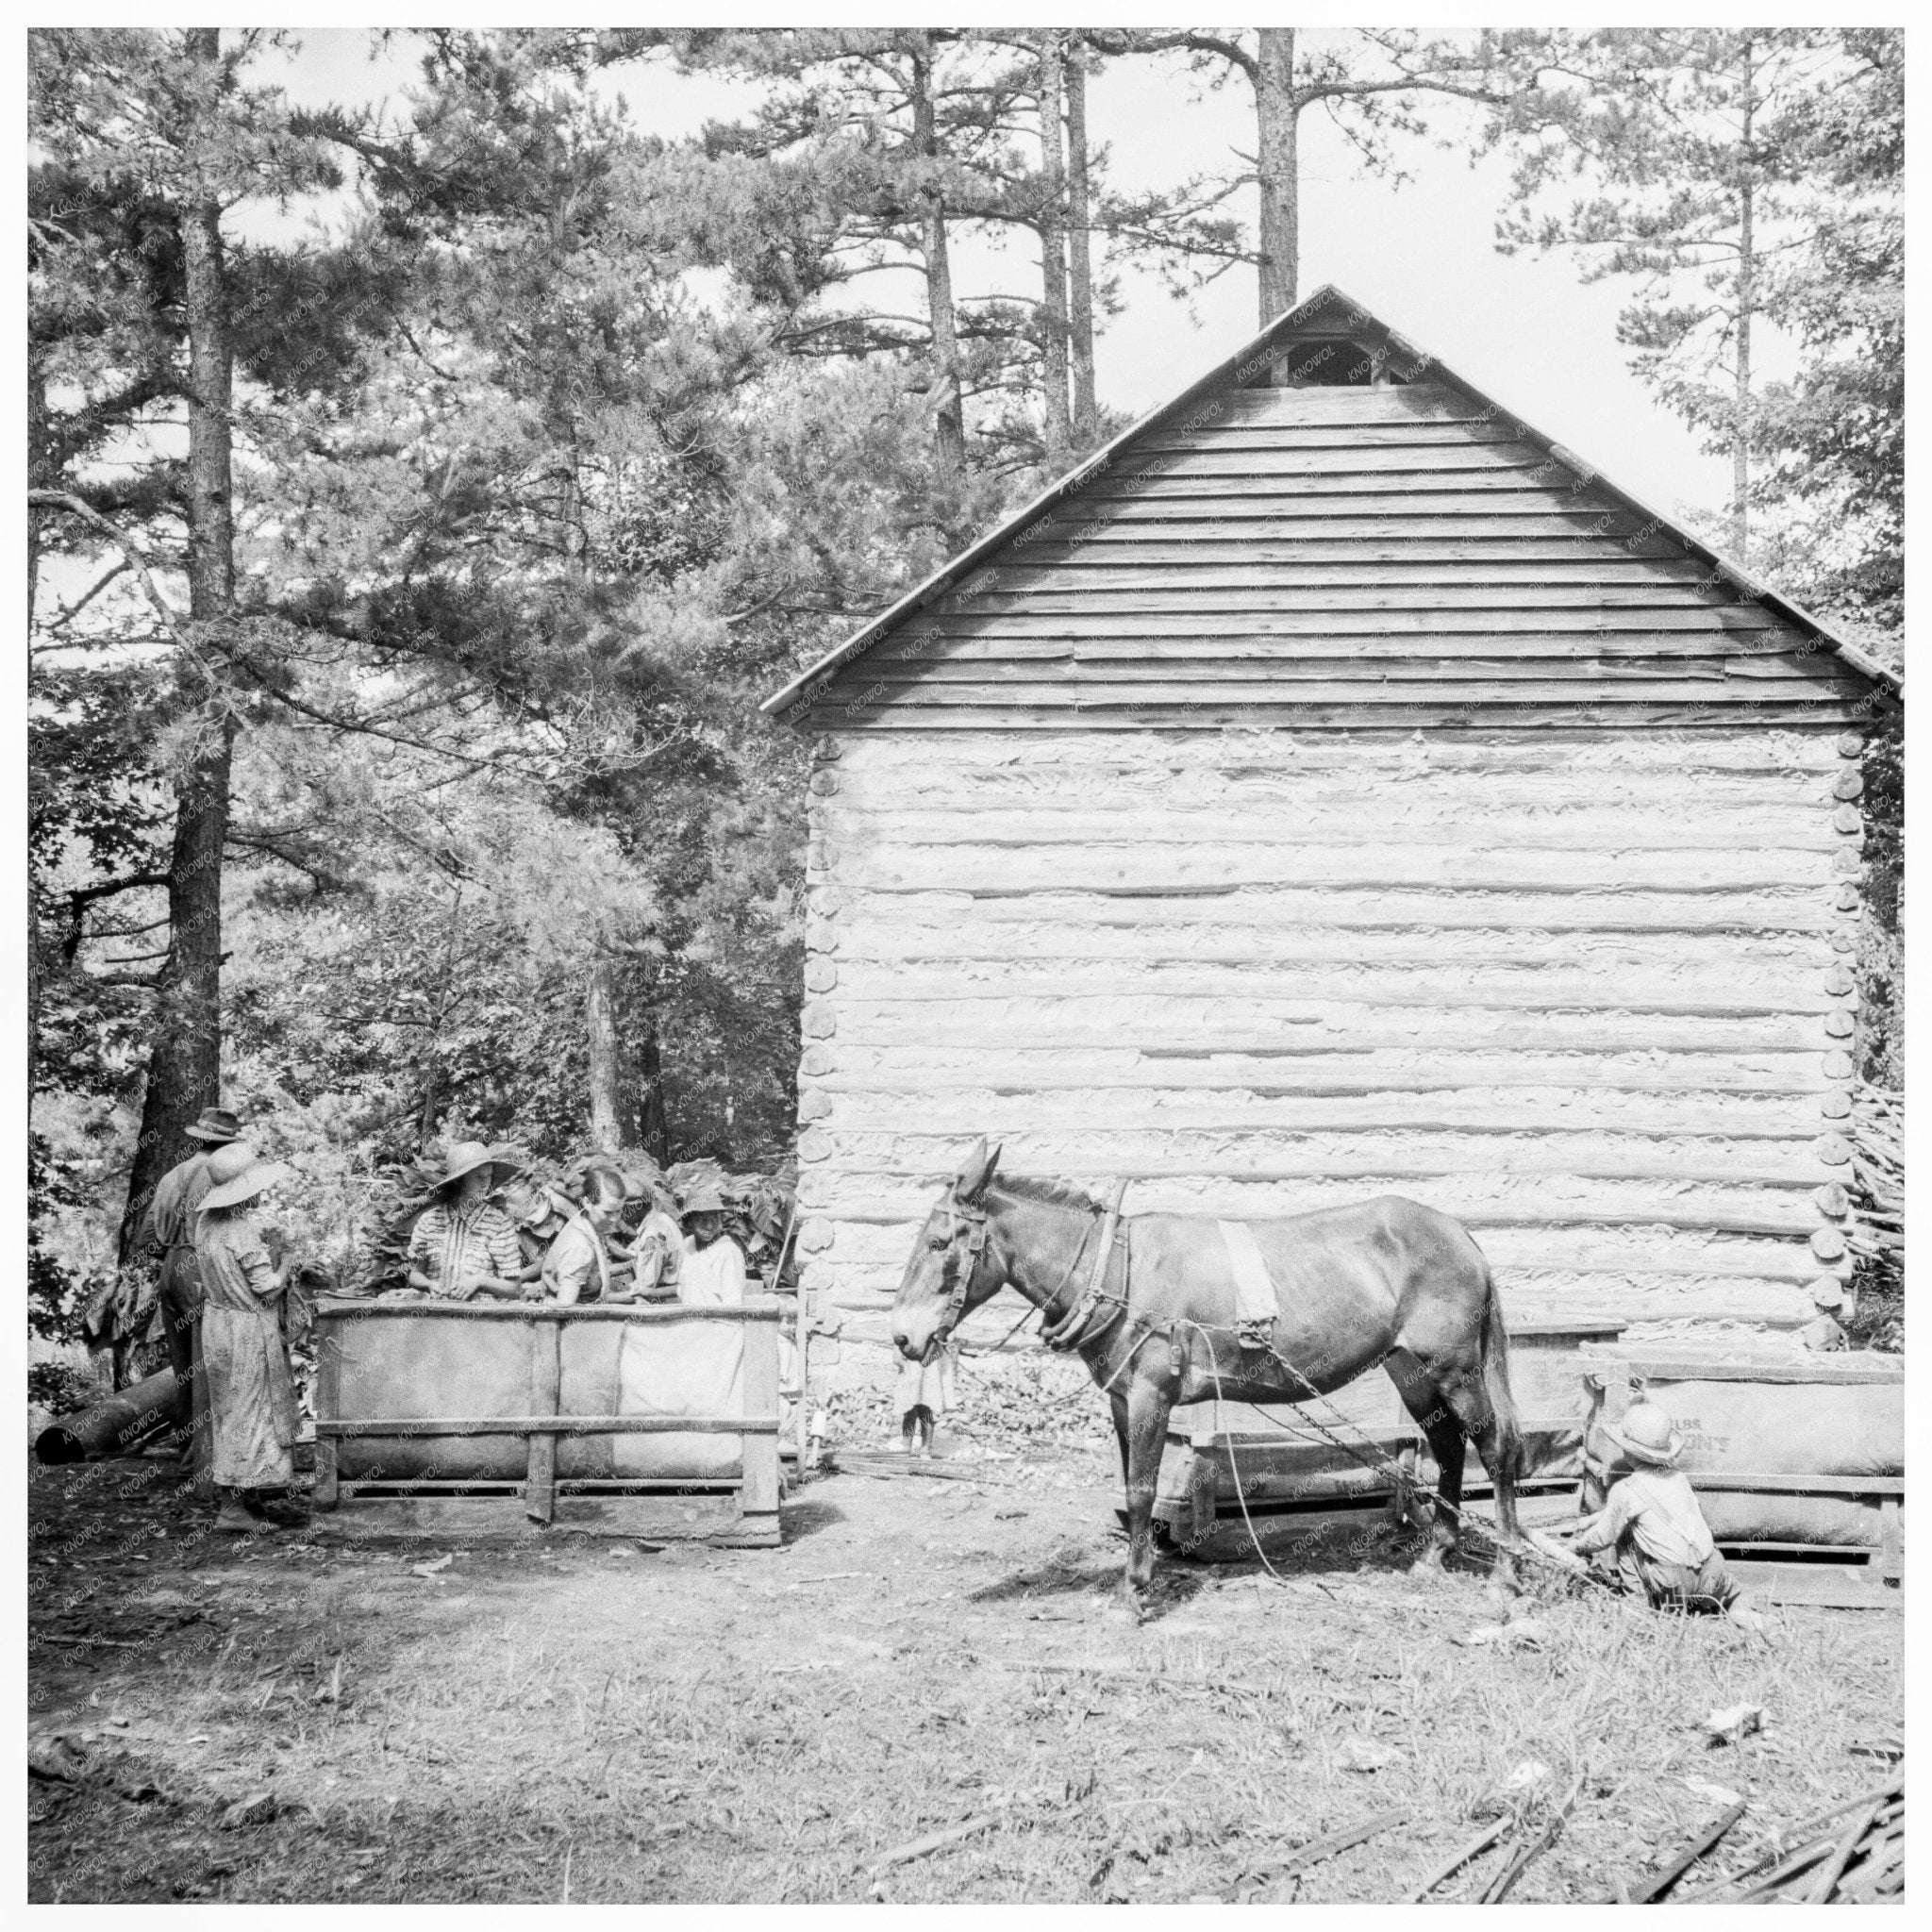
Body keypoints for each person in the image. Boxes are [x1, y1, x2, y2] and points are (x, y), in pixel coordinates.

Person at [1552, 1402, 1767, 1632]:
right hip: (1712, 1570)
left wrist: (1575, 1547)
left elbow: (1603, 1538)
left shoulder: (1625, 1490)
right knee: (1733, 1595)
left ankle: (1638, 1604)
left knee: (1624, 1536)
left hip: (1673, 1583)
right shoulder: (1678, 1477)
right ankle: (1741, 1614)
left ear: (1626, 1450)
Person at [193, 1141, 301, 1533]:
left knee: (230, 1408)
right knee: (249, 1409)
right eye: (254, 1187)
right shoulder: (240, 1230)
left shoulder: (206, 1224)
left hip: (218, 1324)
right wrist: (287, 1262)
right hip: (246, 1328)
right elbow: (267, 1289)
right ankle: (232, 1507)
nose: (260, 1193)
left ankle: (247, 1493)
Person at [131, 1105, 244, 1452]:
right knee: (208, 1362)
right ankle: (205, 1454)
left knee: (182, 1366)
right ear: (226, 1145)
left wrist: (173, 1257)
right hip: (200, 1267)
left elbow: (145, 1238)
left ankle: (186, 1446)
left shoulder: (171, 1175)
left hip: (171, 1270)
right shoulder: (221, 1176)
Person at [405, 1141, 527, 1300]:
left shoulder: (499, 1224)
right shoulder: (430, 1221)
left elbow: (514, 1289)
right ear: (459, 1180)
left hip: (480, 1319)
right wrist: (429, 1285)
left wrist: (479, 1281)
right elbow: (415, 1274)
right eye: (479, 1177)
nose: (486, 1184)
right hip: (435, 1315)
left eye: (489, 1176)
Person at [542, 1165, 629, 1305]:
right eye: (607, 1212)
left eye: (618, 1211)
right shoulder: (580, 1246)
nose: (614, 1219)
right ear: (587, 1203)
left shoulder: (587, 1222)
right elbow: (565, 1306)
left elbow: (593, 1273)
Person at [676, 1180, 745, 1307]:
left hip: (719, 1323)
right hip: (689, 1321)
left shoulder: (728, 1252)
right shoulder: (687, 1246)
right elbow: (682, 1288)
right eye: (701, 1219)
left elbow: (733, 1305)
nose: (709, 1225)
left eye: (714, 1218)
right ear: (690, 1221)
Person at [893, 1342, 958, 1457]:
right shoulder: (909, 1325)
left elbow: (947, 1336)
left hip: (931, 1366)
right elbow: (899, 1337)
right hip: (911, 1364)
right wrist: (900, 1357)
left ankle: (926, 1450)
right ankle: (906, 1448)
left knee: (927, 1410)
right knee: (910, 1411)